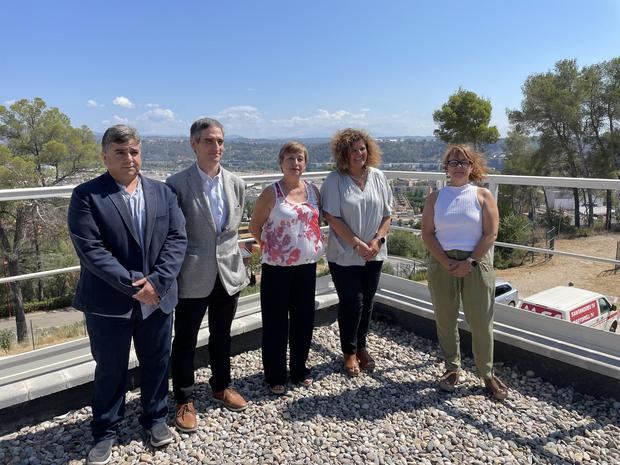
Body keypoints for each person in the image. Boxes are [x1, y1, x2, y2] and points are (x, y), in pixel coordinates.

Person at [67, 125, 187, 464]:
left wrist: (157, 284)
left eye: (133, 151)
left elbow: (177, 240)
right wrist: (138, 287)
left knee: (157, 361)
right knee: (110, 368)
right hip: (109, 303)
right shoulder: (87, 196)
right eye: (119, 152)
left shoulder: (162, 193)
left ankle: (156, 418)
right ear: (104, 156)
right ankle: (105, 430)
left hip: (158, 298)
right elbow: (91, 250)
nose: (128, 158)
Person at [167, 118, 249, 433]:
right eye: (208, 141)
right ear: (194, 144)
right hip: (191, 274)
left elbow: (230, 232)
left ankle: (221, 386)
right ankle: (184, 398)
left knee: (222, 333)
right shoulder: (176, 184)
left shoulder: (237, 183)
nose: (216, 147)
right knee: (185, 338)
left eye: (219, 141)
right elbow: (172, 234)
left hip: (228, 271)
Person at [421, 144, 509, 400]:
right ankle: (452, 368)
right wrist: (446, 262)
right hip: (442, 263)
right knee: (445, 319)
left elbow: (490, 233)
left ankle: (487, 374)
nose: (458, 166)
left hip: (476, 263)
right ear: (445, 168)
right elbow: (427, 233)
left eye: (463, 162)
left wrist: (469, 261)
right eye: (453, 162)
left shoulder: (482, 195)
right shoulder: (435, 198)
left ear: (472, 166)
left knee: (482, 322)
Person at [249, 141, 324, 395]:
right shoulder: (272, 193)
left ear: (306, 163)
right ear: (281, 163)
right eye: (290, 158)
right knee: (275, 323)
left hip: (306, 267)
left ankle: (300, 368)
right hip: (276, 269)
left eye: (300, 158)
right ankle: (275, 375)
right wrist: (272, 247)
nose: (295, 164)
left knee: (304, 320)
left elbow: (315, 222)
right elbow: (254, 226)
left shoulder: (313, 191)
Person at [320, 128, 393, 377]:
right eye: (352, 150)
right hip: (344, 253)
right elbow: (331, 216)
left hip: (374, 252)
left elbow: (387, 214)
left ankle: (362, 346)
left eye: (362, 148)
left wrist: (377, 241)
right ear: (343, 153)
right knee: (353, 301)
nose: (358, 153)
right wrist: (357, 244)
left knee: (368, 301)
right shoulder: (334, 180)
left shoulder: (378, 177)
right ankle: (349, 351)